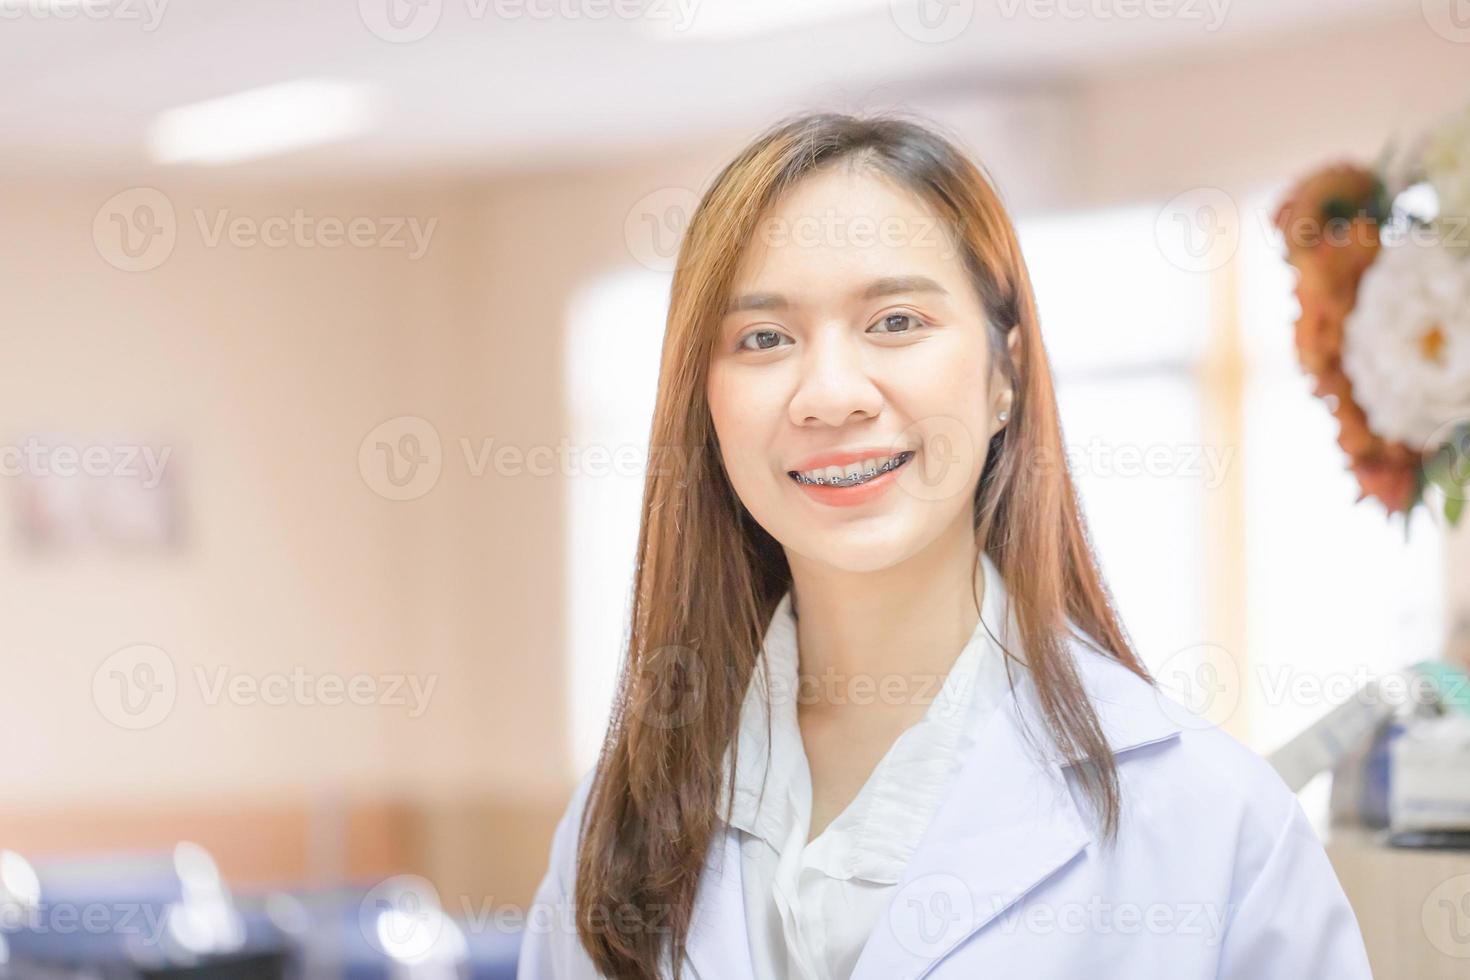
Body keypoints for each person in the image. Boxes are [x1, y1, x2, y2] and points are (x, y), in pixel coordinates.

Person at [517, 112, 1373, 980]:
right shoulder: (621, 825)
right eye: (764, 339)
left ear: (1004, 373)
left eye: (895, 321)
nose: (831, 393)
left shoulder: (1209, 819)